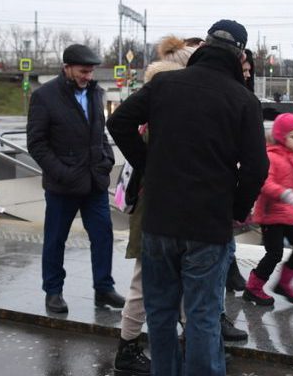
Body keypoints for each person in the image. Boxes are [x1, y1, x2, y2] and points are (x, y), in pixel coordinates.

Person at [109, 19, 268, 376]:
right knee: (202, 317)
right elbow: (258, 167)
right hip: (208, 226)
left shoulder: (165, 84)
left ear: (205, 45)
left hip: (160, 221)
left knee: (161, 314)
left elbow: (118, 122)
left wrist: (150, 167)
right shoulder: (243, 100)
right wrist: (236, 209)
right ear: (239, 54)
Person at [110, 35, 194, 375]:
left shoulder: (155, 104)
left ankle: (190, 342)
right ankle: (127, 349)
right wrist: (151, 166)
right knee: (144, 282)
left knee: (170, 281)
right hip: (154, 208)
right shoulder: (164, 109)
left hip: (155, 204)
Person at [26, 44, 125, 315]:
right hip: (62, 185)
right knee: (55, 239)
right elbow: (36, 144)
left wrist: (106, 160)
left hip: (94, 182)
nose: (88, 76)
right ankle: (53, 292)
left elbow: (100, 133)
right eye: (83, 71)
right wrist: (62, 173)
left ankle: (103, 288)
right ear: (67, 67)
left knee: (103, 235)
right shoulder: (44, 97)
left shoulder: (96, 93)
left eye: (91, 71)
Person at [242, 113, 293, 307]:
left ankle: (284, 283)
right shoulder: (271, 157)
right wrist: (285, 194)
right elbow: (266, 184)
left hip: (289, 213)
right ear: (281, 136)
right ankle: (253, 287)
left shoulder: (291, 157)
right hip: (271, 215)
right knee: (274, 253)